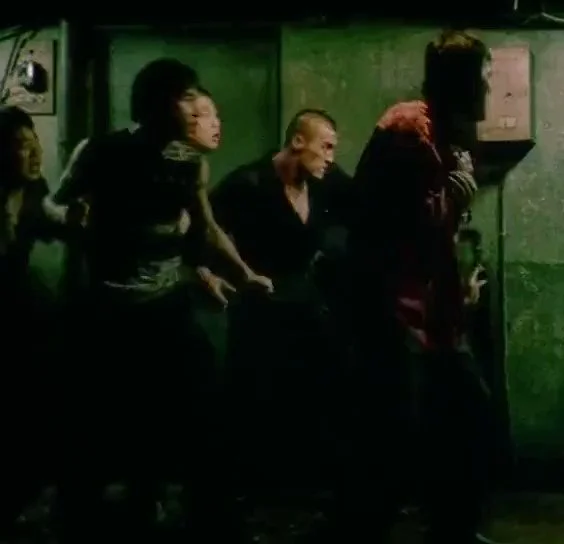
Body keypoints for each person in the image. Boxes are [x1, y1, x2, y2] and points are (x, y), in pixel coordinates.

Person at [44, 59, 270, 544]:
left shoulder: (188, 161)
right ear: (157, 104)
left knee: (195, 406)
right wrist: (74, 221)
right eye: (185, 98)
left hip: (165, 305)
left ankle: (191, 512)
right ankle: (90, 515)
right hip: (108, 309)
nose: (194, 108)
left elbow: (206, 227)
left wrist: (244, 273)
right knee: (105, 417)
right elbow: (54, 203)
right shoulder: (103, 151)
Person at [315, 29, 496, 544]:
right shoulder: (409, 130)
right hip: (393, 310)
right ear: (462, 82)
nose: (491, 89)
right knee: (393, 431)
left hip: (434, 311)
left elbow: (440, 227)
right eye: (484, 78)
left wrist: (455, 286)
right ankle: (359, 529)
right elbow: (382, 221)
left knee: (467, 413)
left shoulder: (453, 134)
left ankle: (452, 528)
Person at [198, 108, 350, 497]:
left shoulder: (327, 182)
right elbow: (202, 227)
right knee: (253, 396)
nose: (331, 157)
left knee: (312, 395)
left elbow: (367, 212)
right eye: (325, 147)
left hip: (306, 306)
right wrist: (207, 273)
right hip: (258, 309)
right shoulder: (249, 183)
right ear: (298, 141)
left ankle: (301, 484)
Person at [0, 105, 63, 540]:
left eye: (35, 142)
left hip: (19, 309)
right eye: (23, 146)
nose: (35, 153)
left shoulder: (35, 188)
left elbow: (48, 226)